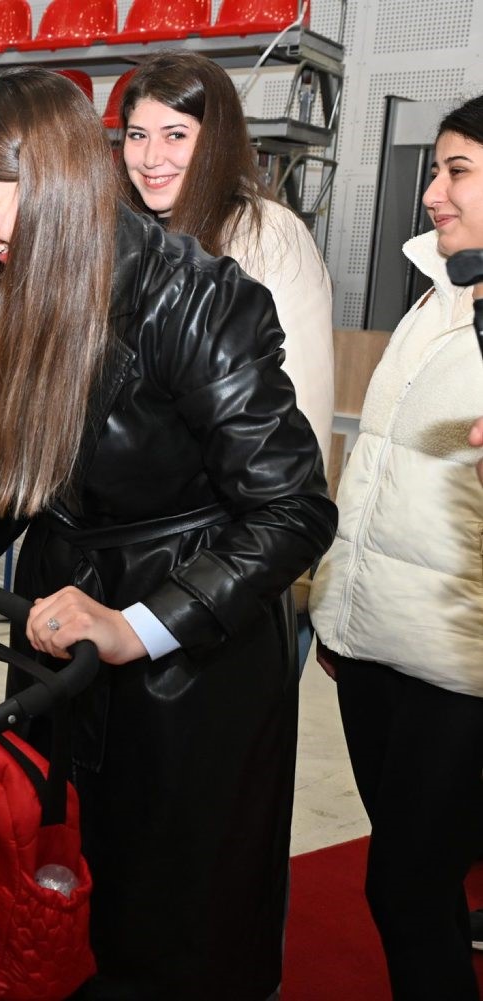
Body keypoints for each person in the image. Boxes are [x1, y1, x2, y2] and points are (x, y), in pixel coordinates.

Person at [0, 69, 336, 1000]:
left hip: (192, 649)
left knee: (178, 913)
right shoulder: (18, 281)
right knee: (65, 883)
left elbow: (295, 509)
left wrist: (138, 622)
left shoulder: (200, 300)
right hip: (61, 625)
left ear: (49, 184)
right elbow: (24, 444)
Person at [309, 93, 483, 1001]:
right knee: (424, 880)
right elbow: (376, 472)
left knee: (404, 882)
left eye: (458, 171)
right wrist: (340, 612)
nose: (433, 193)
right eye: (434, 171)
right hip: (376, 643)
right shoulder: (438, 297)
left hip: (461, 664)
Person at [120, 51, 335, 472]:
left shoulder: (268, 232)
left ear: (215, 139)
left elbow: (302, 401)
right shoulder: (131, 235)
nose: (150, 158)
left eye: (175, 135)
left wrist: (287, 525)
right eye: (137, 135)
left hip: (227, 517)